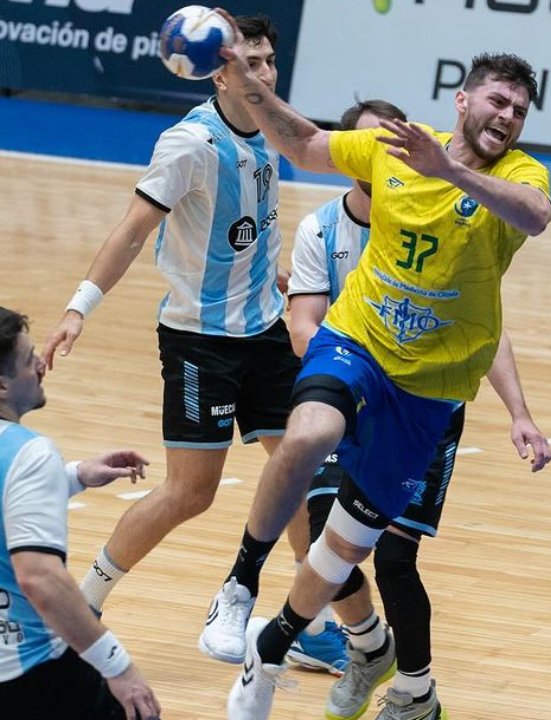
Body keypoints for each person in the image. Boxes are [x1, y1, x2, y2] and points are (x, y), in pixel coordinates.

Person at [201, 15, 551, 718]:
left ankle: (270, 648)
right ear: (463, 100)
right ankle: (242, 579)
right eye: (497, 101)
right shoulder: (394, 146)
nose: (508, 116)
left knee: (348, 548)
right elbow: (303, 143)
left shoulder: (518, 174)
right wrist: (245, 83)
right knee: (304, 438)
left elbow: (537, 215)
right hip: (358, 341)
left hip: (429, 391)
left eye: (519, 110)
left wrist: (449, 170)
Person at [40, 14, 341, 670]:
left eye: (269, 61)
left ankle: (311, 625)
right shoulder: (189, 145)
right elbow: (129, 232)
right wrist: (77, 309)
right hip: (200, 341)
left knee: (301, 473)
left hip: (265, 329)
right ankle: (83, 605)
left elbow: (250, 225)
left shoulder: (271, 128)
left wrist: (285, 276)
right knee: (190, 493)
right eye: (250, 62)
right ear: (219, 68)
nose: (263, 73)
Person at [286, 98, 551, 720]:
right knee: (323, 532)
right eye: (362, 148)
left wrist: (519, 412)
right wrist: (339, 380)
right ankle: (366, 646)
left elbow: (483, 330)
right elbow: (303, 328)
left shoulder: (442, 212)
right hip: (350, 393)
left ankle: (415, 690)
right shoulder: (321, 232)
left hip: (424, 405)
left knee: (395, 556)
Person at [0, 305, 161, 720]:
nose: (40, 363)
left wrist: (74, 475)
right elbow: (40, 579)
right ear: (0, 386)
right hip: (29, 675)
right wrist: (119, 667)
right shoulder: (30, 452)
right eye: (28, 358)